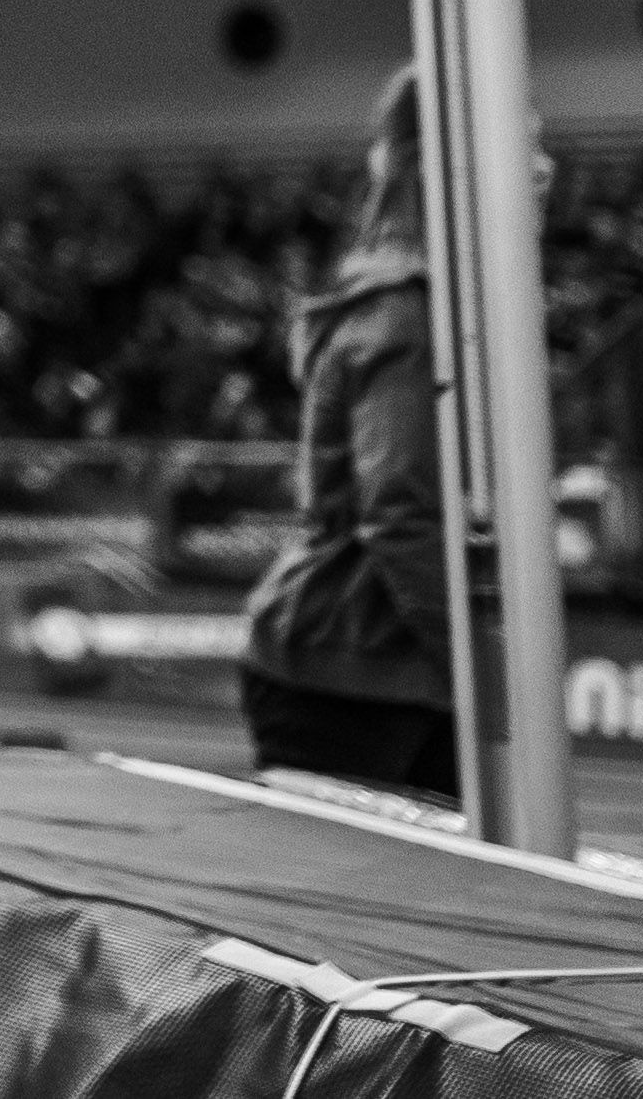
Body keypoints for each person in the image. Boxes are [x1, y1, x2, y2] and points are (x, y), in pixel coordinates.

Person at [238, 67, 464, 798]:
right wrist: (479, 659)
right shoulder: (406, 315)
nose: (545, 167)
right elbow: (397, 515)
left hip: (377, 666)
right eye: (524, 144)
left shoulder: (430, 304)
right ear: (443, 161)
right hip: (347, 670)